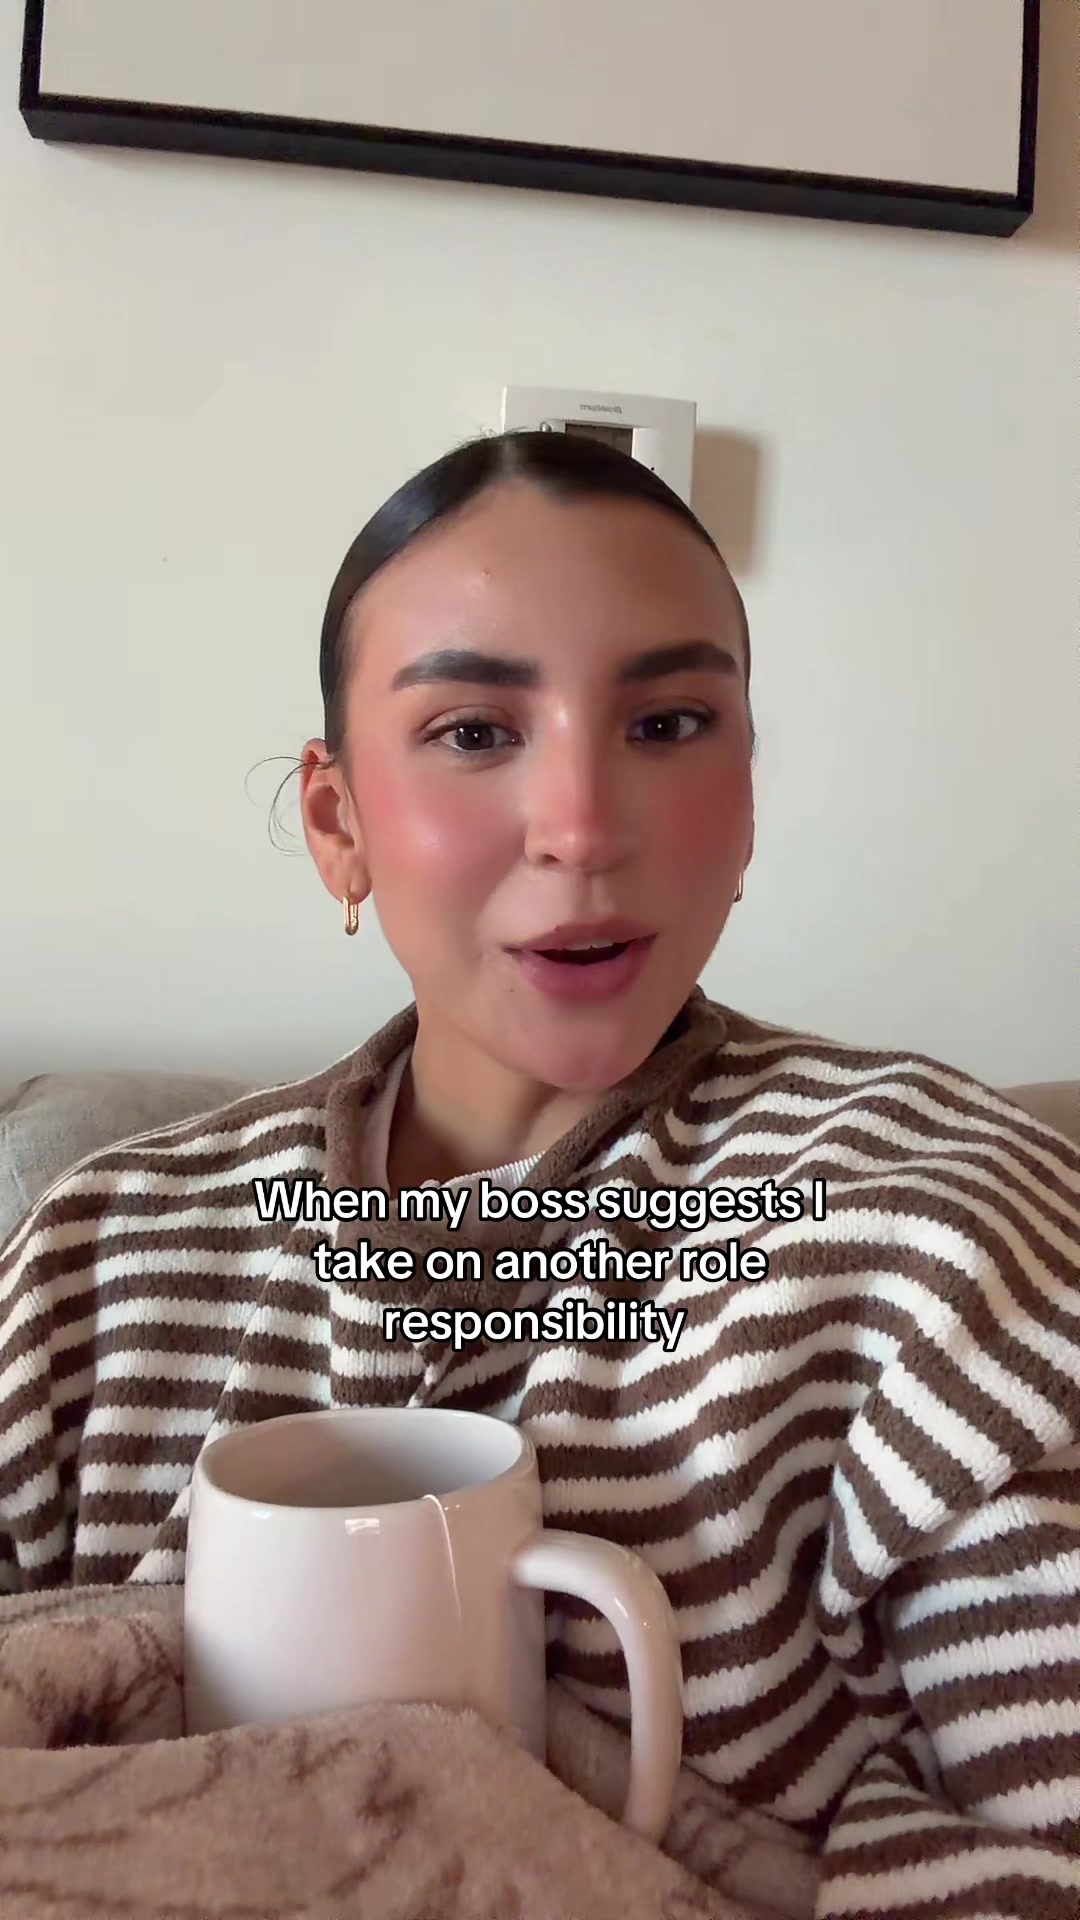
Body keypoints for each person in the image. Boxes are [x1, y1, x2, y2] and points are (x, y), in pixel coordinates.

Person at [1, 430, 1077, 1917]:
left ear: (747, 789)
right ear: (337, 821)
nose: (582, 828)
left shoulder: (948, 1229)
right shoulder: (96, 1259)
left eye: (669, 723)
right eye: (471, 732)